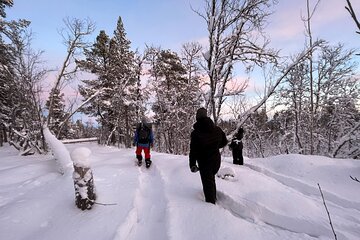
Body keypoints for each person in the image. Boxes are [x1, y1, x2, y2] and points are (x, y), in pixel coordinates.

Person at [189, 107, 228, 204]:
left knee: (208, 183)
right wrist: (214, 147)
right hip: (216, 161)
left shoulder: (195, 133)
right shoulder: (217, 129)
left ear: (197, 118)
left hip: (204, 162)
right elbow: (224, 142)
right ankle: (213, 197)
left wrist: (192, 165)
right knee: (210, 180)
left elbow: (193, 151)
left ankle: (211, 207)